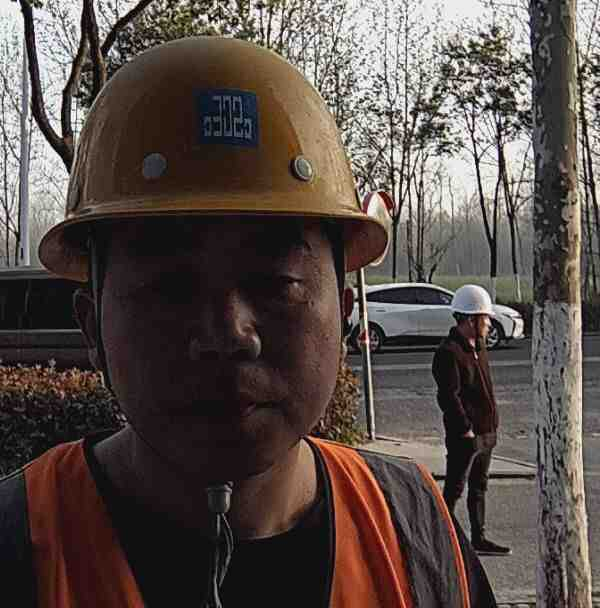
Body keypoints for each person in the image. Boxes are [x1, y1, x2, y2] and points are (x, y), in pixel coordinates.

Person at [0, 37, 497, 607]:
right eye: (168, 287)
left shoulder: (416, 537)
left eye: (277, 282)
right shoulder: (20, 542)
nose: (226, 334)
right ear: (92, 327)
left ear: (344, 312)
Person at [432, 284, 512, 557]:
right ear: (469, 320)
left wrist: (492, 425)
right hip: (465, 437)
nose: (489, 324)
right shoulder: (449, 352)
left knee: (479, 487)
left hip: (487, 432)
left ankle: (479, 538)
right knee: (454, 489)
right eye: (485, 318)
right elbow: (448, 396)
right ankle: (442, 540)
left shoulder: (479, 347)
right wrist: (465, 428)